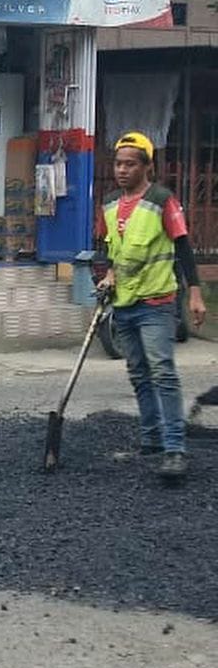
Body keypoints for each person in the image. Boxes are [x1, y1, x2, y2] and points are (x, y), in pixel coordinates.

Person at [94, 130, 206, 481]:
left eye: (130, 164)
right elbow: (109, 249)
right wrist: (108, 275)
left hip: (157, 302)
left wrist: (196, 292)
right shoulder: (110, 204)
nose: (122, 170)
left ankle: (175, 450)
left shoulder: (162, 200)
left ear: (147, 166)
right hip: (124, 303)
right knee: (139, 373)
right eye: (118, 163)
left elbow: (183, 247)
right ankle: (152, 436)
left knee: (164, 374)